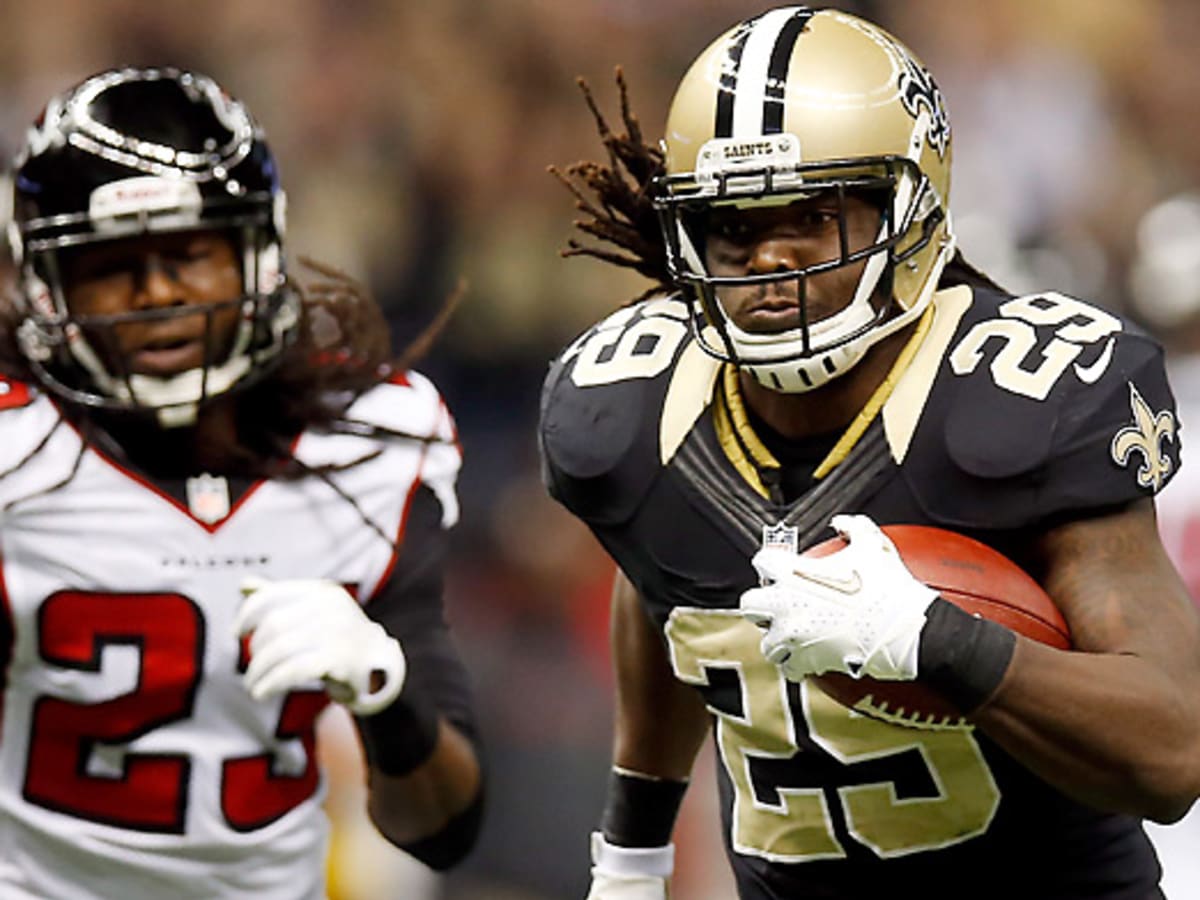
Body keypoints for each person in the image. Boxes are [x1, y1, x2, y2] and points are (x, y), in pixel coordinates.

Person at [539, 7, 1200, 898]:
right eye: (735, 226)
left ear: (911, 207)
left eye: (813, 216)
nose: (771, 256)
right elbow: (661, 574)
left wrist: (936, 641)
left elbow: (1173, 751)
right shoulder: (636, 414)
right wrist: (632, 853)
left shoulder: (1019, 404)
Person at [0, 66, 483, 899]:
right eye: (113, 264)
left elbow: (443, 829)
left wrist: (384, 695)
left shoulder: (370, 447)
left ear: (257, 254)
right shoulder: (17, 451)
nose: (157, 295)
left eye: (189, 253)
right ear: (50, 287)